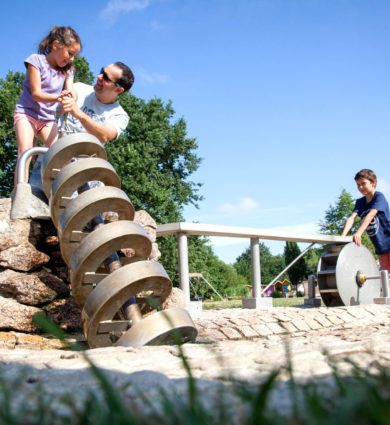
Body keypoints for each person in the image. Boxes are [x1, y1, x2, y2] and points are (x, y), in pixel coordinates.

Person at [14, 26, 81, 180]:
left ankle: (70, 192)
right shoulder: (35, 61)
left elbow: (72, 91)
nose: (71, 59)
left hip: (48, 119)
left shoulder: (68, 70)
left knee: (61, 154)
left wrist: (69, 95)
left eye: (74, 55)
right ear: (56, 45)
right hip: (27, 113)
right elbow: (37, 94)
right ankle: (20, 192)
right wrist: (58, 97)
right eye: (70, 53)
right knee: (25, 150)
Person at [59, 62, 134, 143]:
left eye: (106, 77)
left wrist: (78, 114)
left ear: (118, 90)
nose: (99, 77)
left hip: (86, 155)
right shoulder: (78, 88)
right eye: (102, 71)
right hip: (54, 151)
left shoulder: (119, 115)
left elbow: (104, 136)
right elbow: (51, 113)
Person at [342, 169, 390, 272]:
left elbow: (371, 215)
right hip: (381, 248)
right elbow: (351, 218)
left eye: (363, 183)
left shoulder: (379, 197)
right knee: (384, 277)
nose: (360, 187)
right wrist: (342, 237)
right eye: (358, 185)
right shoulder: (360, 202)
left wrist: (358, 233)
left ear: (373, 183)